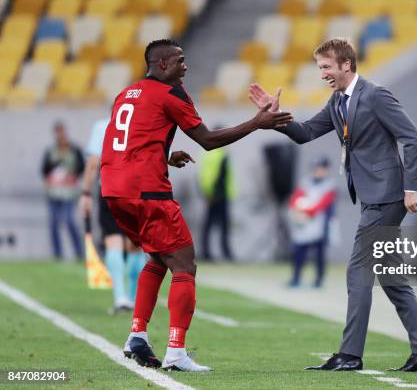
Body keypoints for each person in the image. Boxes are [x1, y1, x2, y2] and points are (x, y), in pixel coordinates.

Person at [249, 38, 417, 372]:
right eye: (320, 67)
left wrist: (412, 188)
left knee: (357, 271)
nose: (322, 73)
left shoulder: (375, 95)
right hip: (373, 196)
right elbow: (306, 132)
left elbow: (412, 137)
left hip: (388, 195)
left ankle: (350, 355)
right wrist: (274, 115)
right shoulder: (338, 100)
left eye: (326, 67)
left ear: (347, 65)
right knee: (391, 276)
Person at [100, 39, 292, 372]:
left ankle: (137, 335)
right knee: (185, 265)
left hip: (114, 190)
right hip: (146, 191)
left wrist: (163, 155)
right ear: (162, 64)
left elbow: (130, 139)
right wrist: (255, 123)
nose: (185, 67)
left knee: (159, 258)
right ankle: (176, 352)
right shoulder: (171, 93)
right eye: (180, 61)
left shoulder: (127, 93)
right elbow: (207, 140)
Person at [79, 118, 147, 314]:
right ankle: (135, 301)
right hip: (137, 188)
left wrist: (85, 194)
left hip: (110, 189)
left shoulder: (102, 126)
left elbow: (93, 162)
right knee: (135, 245)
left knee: (113, 241)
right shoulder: (141, 123)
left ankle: (120, 298)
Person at [287, 156, 337, 288]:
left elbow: (322, 204)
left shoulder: (330, 185)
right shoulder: (305, 182)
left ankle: (319, 280)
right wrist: (297, 211)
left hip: (321, 224)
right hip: (305, 223)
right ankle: (296, 278)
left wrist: (307, 212)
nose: (318, 171)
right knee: (299, 250)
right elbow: (295, 198)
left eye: (321, 169)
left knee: (319, 253)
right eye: (316, 169)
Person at [41, 122, 85, 260]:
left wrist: (73, 176)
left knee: (70, 221)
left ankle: (79, 251)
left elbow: (81, 167)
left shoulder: (74, 149)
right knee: (54, 223)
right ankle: (57, 253)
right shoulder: (50, 151)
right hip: (54, 192)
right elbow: (44, 170)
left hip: (69, 192)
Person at [198, 138, 236, 262]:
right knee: (219, 225)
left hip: (215, 194)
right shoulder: (220, 154)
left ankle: (207, 252)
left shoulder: (209, 153)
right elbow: (214, 176)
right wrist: (210, 192)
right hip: (217, 195)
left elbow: (204, 175)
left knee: (210, 225)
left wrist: (206, 192)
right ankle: (222, 253)